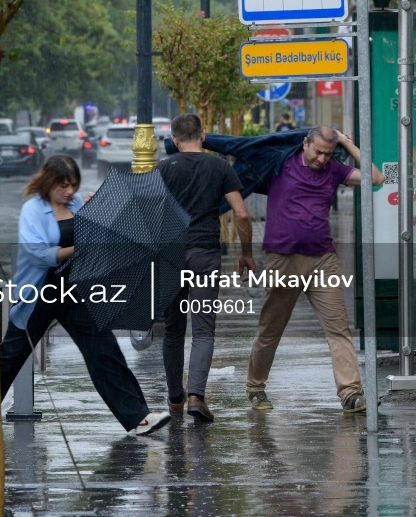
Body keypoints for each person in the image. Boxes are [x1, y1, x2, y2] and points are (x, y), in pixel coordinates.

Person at [0, 155, 170, 436]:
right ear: (49, 182)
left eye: (73, 186)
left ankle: (138, 416)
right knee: (12, 356)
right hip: (39, 293)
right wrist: (80, 247)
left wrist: (96, 212)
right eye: (63, 185)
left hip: (74, 291)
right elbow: (39, 255)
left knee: (104, 351)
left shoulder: (76, 204)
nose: (69, 192)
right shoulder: (33, 210)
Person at [246, 126, 385, 413]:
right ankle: (255, 387)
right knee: (271, 328)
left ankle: (350, 393)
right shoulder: (280, 164)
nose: (322, 159)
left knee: (338, 328)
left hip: (323, 260)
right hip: (282, 259)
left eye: (328, 154)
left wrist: (347, 141)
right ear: (305, 143)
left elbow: (377, 178)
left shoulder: (334, 170)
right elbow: (245, 153)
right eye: (318, 151)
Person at [157, 114, 253, 423]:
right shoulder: (219, 167)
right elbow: (241, 214)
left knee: (173, 329)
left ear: (175, 140)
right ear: (202, 136)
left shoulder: (163, 168)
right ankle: (196, 396)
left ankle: (175, 399)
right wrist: (246, 253)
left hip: (170, 255)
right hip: (204, 254)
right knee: (203, 329)